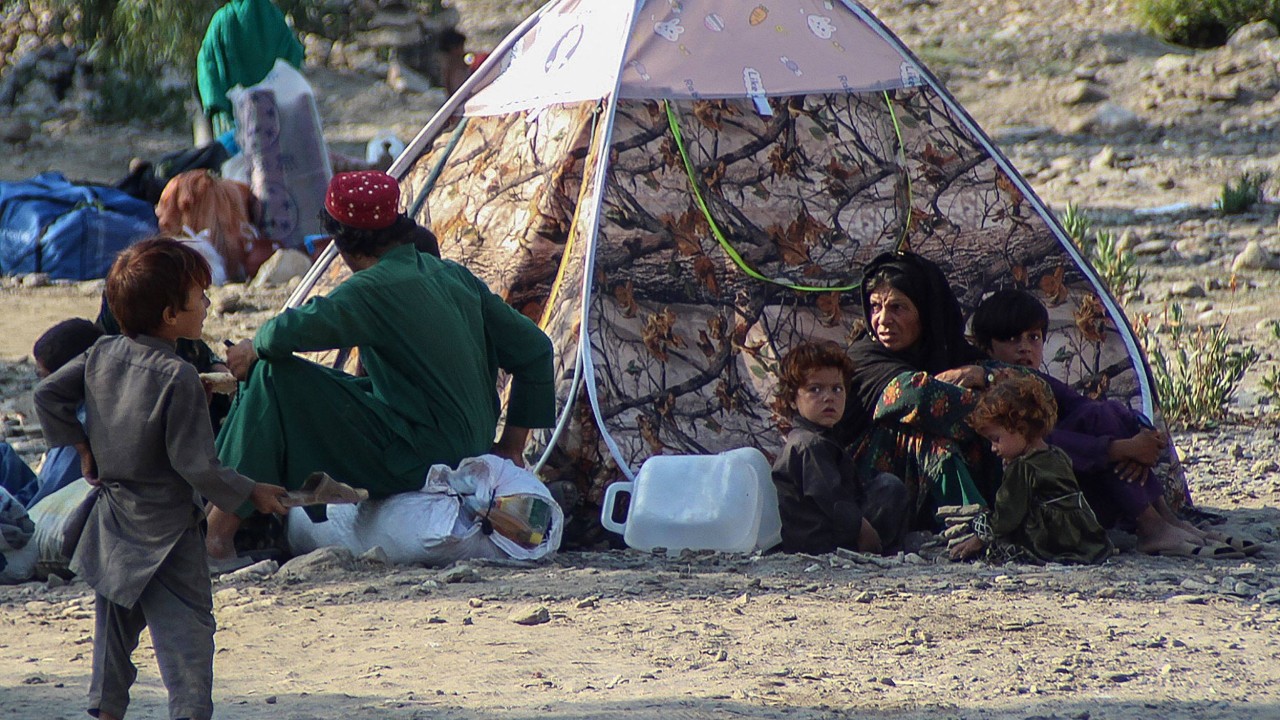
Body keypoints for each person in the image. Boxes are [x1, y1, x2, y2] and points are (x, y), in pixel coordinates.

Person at [206, 171, 555, 559]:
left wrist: (250, 348)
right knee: (336, 385)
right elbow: (536, 350)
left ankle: (217, 534)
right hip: (467, 442)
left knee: (271, 376)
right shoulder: (452, 275)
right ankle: (231, 509)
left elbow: (281, 334)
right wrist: (511, 446)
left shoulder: (370, 289)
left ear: (340, 242)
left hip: (422, 454)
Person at [33, 237, 288, 720]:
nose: (208, 306)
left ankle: (106, 710)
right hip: (168, 530)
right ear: (172, 316)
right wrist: (252, 492)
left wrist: (83, 447)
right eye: (200, 299)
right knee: (188, 635)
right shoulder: (178, 376)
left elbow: (48, 394)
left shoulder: (102, 353)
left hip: (112, 522)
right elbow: (197, 467)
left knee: (112, 633)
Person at [970, 288, 1257, 557]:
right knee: (1097, 419)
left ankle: (1166, 520)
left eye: (1033, 338)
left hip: (1071, 487)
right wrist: (1118, 449)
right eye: (1010, 340)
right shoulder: (991, 390)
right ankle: (1151, 526)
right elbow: (1039, 443)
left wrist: (1142, 436)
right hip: (1039, 499)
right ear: (986, 348)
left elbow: (1085, 408)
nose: (1024, 348)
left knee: (1106, 412)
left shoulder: (1038, 382)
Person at [841, 251, 999, 527]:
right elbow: (916, 397)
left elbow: (1032, 387)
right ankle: (972, 528)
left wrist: (984, 377)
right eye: (875, 306)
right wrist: (1006, 412)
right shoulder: (864, 357)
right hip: (874, 494)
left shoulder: (953, 352)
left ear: (925, 311)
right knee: (925, 436)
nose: (882, 320)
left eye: (898, 308)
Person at [949, 375, 1113, 564]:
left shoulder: (1023, 467)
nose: (993, 448)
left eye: (996, 440)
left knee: (998, 548)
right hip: (1081, 534)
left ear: (1021, 428)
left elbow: (1007, 515)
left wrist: (979, 538)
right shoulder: (1057, 454)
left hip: (1049, 539)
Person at [770, 341, 908, 555]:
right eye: (814, 389)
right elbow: (833, 500)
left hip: (828, 531)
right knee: (889, 487)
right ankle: (880, 548)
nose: (829, 397)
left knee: (883, 483)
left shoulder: (823, 437)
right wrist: (863, 530)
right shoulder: (809, 444)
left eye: (837, 389)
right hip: (819, 541)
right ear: (792, 400)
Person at [0, 318, 103, 509]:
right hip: (38, 490)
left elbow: (47, 501)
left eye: (46, 378)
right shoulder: (73, 409)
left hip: (41, 507)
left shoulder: (81, 427)